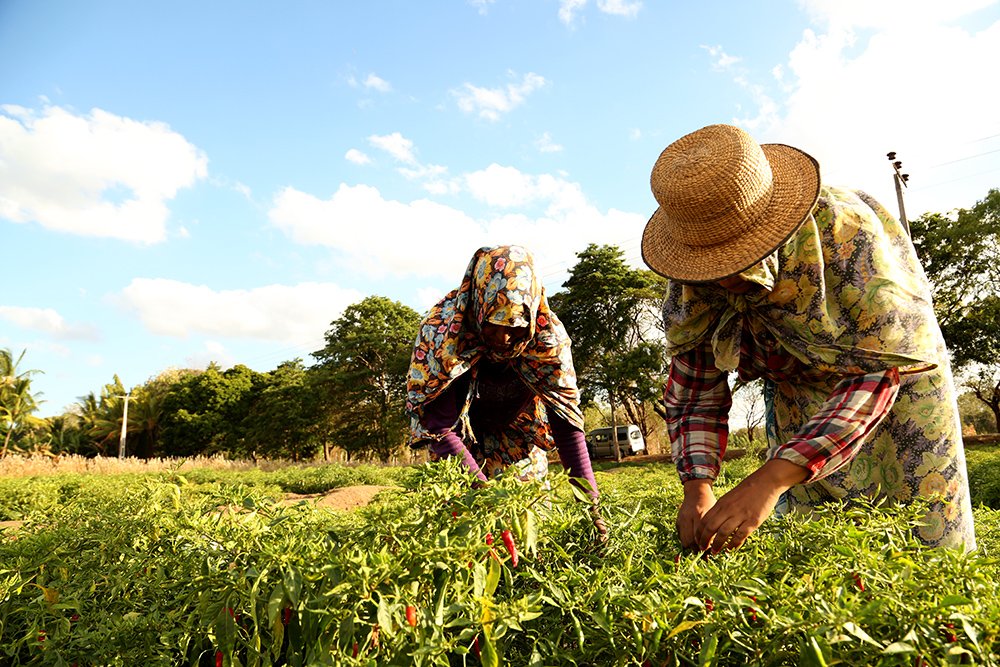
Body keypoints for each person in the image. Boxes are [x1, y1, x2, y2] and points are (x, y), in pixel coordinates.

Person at [640, 124, 976, 552]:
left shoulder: (847, 234)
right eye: (711, 264)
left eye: (737, 259)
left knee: (920, 546)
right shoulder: (692, 275)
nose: (725, 277)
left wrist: (773, 477)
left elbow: (878, 369)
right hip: (798, 406)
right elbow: (694, 390)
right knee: (816, 553)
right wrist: (697, 485)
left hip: (898, 399)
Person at [406, 244, 607, 541]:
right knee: (467, 534)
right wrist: (487, 498)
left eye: (515, 327)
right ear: (479, 306)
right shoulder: (444, 334)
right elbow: (440, 427)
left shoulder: (548, 341)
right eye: (493, 326)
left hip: (519, 434)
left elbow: (567, 427)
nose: (503, 339)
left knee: (531, 529)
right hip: (457, 441)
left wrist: (592, 510)